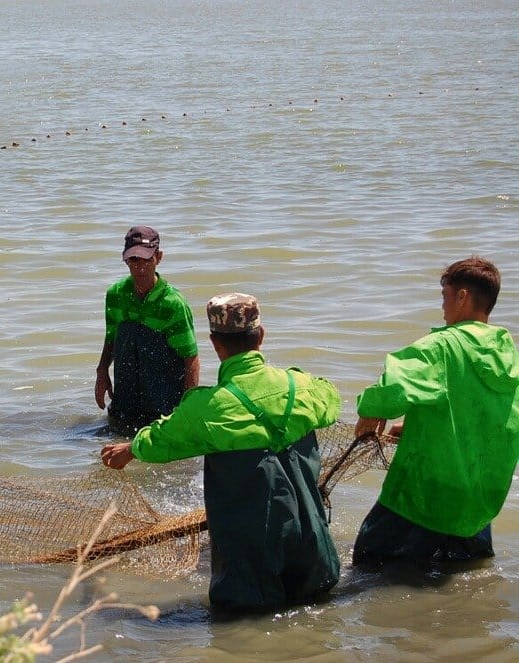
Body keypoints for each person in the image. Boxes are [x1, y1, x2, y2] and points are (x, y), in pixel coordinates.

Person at [101, 293, 341, 613]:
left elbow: (162, 440)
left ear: (215, 344)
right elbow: (333, 401)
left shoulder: (204, 408)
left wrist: (130, 450)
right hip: (315, 559)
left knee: (244, 626)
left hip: (249, 576)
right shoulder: (304, 387)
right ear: (262, 336)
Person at [352, 257, 518, 570]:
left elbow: (391, 393)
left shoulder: (441, 346)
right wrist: (416, 425)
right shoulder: (507, 355)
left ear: (462, 297)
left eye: (445, 296)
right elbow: (489, 418)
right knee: (462, 579)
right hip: (477, 507)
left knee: (367, 571)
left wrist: (370, 410)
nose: (443, 307)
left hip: (424, 499)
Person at [94, 226, 200, 433]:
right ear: (125, 260)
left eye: (146, 260)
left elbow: (191, 358)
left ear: (158, 257)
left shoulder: (173, 304)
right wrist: (102, 371)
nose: (139, 268)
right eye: (133, 260)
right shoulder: (116, 293)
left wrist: (188, 411)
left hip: (163, 406)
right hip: (125, 402)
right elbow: (111, 338)